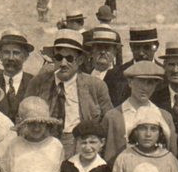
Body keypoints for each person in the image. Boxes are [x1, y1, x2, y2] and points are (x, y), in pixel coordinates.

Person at [25, 30, 113, 158]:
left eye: (70, 58)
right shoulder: (38, 83)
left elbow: (108, 122)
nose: (63, 63)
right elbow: (23, 117)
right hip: (43, 145)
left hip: (80, 146)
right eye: (59, 57)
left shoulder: (96, 86)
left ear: (80, 60)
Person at [101, 61, 176, 162]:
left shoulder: (165, 117)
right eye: (140, 81)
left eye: (150, 83)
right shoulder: (113, 117)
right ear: (130, 82)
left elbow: (172, 154)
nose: (145, 88)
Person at [104, 26, 161, 107]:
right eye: (137, 47)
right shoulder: (114, 75)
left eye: (146, 47)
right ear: (131, 47)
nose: (141, 53)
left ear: (156, 46)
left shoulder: (166, 74)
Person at [0, 29, 35, 122]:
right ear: (0, 55)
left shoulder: (35, 83)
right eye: (6, 52)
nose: (11, 58)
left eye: (16, 53)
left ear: (25, 56)